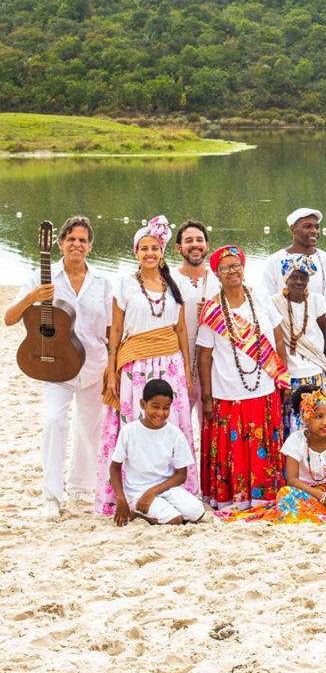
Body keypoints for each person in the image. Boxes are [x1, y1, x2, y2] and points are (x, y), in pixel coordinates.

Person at [4, 216, 111, 517]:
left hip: (94, 367)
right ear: (60, 243)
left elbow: (114, 325)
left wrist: (112, 366)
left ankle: (80, 489)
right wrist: (31, 297)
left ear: (90, 246)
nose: (76, 244)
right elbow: (10, 318)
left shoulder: (103, 282)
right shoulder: (42, 276)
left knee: (89, 429)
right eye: (71, 238)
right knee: (54, 422)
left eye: (82, 239)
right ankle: (51, 496)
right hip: (54, 365)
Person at [97, 215, 197, 516]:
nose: (149, 253)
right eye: (144, 248)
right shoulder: (125, 284)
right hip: (136, 363)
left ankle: (173, 490)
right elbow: (115, 330)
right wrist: (113, 368)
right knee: (137, 424)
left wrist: (188, 373)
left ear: (163, 251)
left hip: (171, 361)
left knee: (171, 422)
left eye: (154, 247)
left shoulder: (174, 284)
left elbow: (181, 330)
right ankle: (129, 493)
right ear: (136, 252)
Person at [197, 245, 290, 510]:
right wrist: (206, 398)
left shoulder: (260, 298)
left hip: (264, 388)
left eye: (236, 265)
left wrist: (283, 377)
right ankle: (233, 499)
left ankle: (264, 496)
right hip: (227, 392)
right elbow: (204, 357)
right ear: (216, 273)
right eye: (225, 268)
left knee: (263, 444)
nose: (232, 271)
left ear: (244, 268)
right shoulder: (212, 310)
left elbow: (278, 339)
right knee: (232, 451)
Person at [218, 388, 326, 524]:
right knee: (286, 495)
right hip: (310, 494)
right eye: (318, 417)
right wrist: (322, 497)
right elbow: (292, 481)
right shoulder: (296, 441)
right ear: (305, 419)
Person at [109, 379, 206, 526]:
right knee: (175, 520)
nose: (160, 413)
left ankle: (157, 508)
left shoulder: (174, 433)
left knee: (197, 512)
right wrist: (121, 499)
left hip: (166, 488)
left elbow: (181, 475)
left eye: (166, 408)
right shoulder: (129, 431)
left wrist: (152, 492)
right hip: (138, 491)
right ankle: (139, 511)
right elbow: (115, 467)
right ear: (143, 404)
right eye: (155, 407)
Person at [271, 254, 326, 435]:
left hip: (315, 373)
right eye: (294, 277)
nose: (299, 282)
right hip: (290, 375)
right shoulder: (274, 302)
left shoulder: (316, 300)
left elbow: (325, 332)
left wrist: (320, 357)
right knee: (292, 425)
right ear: (285, 278)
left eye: (303, 277)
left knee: (318, 423)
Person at [259, 208, 326, 328]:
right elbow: (266, 306)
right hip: (283, 340)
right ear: (293, 229)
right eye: (308, 226)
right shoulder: (275, 261)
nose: (314, 231)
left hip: (319, 341)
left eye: (317, 227)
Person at [174, 220, 218, 425]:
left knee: (209, 424)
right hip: (176, 363)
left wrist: (215, 309)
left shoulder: (220, 280)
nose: (195, 245)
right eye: (188, 240)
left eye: (200, 240)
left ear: (207, 246)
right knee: (177, 422)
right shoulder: (168, 280)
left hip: (212, 364)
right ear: (178, 248)